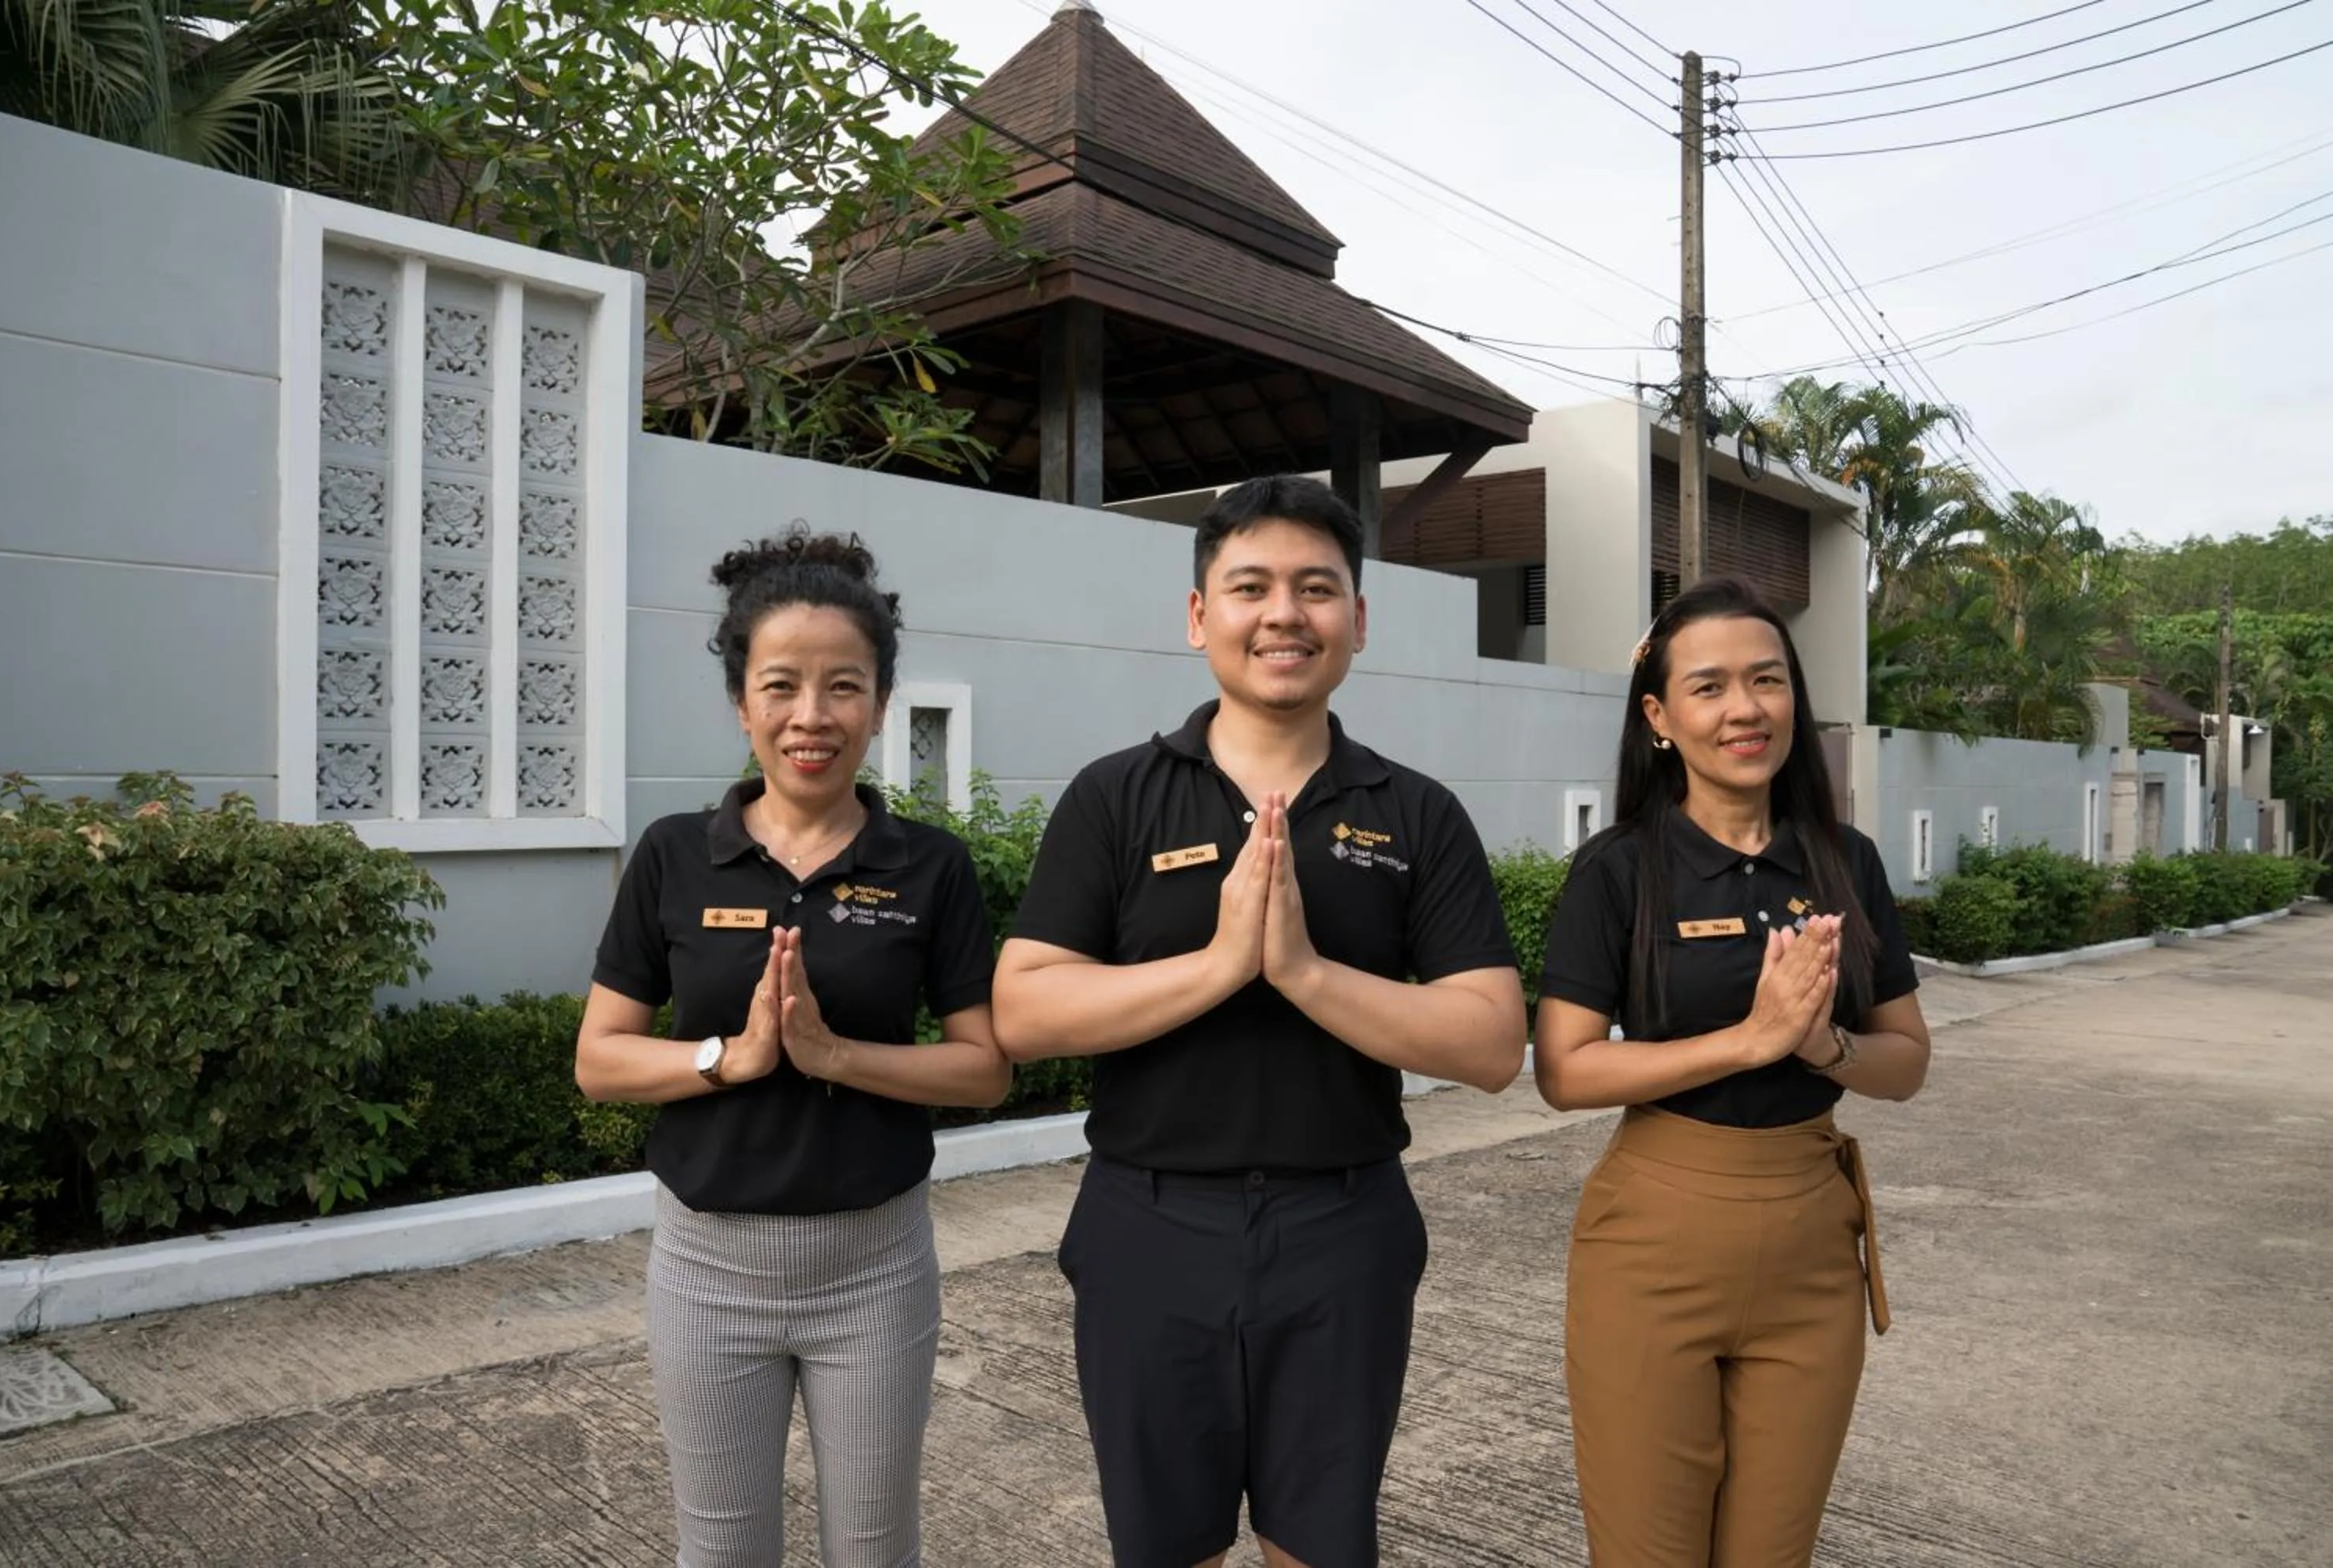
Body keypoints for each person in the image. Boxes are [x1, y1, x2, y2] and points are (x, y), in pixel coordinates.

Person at [993, 474, 1530, 1568]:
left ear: (1358, 621)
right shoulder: (1117, 795)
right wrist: (1222, 961)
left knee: (1320, 1545)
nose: (1284, 613)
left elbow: (1487, 1042)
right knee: (1162, 1545)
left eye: (1316, 588)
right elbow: (1023, 1006)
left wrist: (1301, 970)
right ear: (1201, 617)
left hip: (1343, 1230)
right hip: (1148, 1224)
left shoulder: (1413, 811)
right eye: (1250, 586)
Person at [575, 526, 1010, 1568]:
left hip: (876, 1268)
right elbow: (600, 1059)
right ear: (742, 703)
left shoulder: (930, 866)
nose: (811, 715)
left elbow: (985, 1067)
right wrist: (731, 1056)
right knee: (721, 1550)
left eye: (843, 686)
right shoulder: (676, 855)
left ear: (880, 702)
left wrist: (837, 1056)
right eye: (781, 685)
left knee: (873, 1546)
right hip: (706, 1268)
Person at [1535, 574, 1933, 1568]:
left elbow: (1907, 1059)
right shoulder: (1620, 869)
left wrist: (1822, 1046)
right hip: (1655, 1235)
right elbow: (1564, 1069)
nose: (1745, 708)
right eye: (1709, 687)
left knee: (1772, 1553)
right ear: (1661, 717)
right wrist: (1750, 1040)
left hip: (1811, 1239)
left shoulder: (1847, 862)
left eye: (1767, 679)